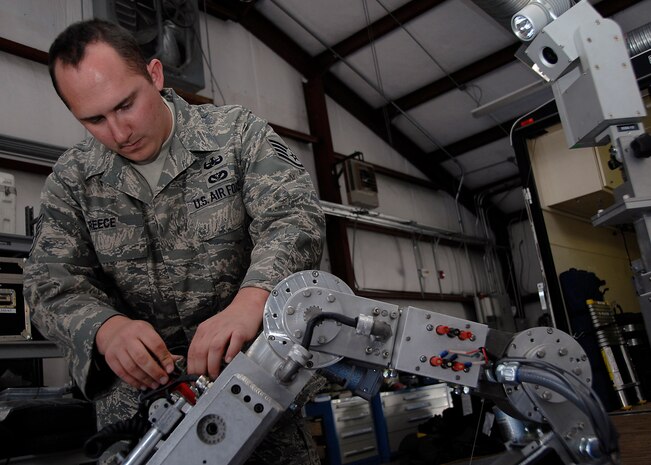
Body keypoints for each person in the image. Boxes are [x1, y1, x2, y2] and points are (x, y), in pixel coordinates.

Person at [23, 18, 326, 464]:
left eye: (126, 105)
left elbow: (293, 217)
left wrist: (251, 301)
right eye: (94, 119)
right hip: (139, 415)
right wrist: (105, 329)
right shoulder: (72, 181)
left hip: (256, 390)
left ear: (155, 75)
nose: (118, 132)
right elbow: (48, 282)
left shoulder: (237, 136)